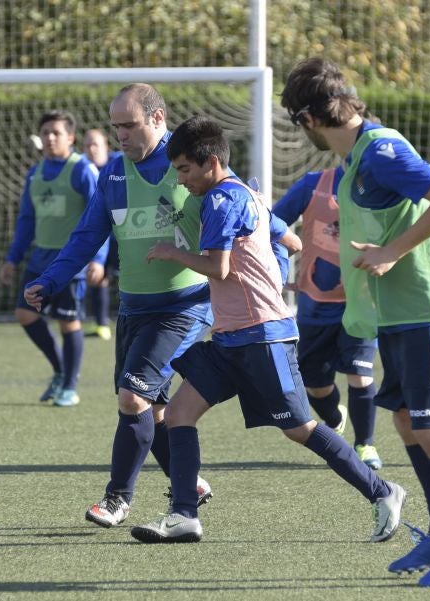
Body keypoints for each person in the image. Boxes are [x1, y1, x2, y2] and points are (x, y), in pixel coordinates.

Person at [129, 115, 406, 546]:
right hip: (231, 338)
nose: (181, 181)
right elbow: (291, 242)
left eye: (184, 170)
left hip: (262, 338)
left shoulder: (222, 199)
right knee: (180, 414)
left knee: (299, 429)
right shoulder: (247, 194)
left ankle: (383, 491)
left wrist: (171, 252)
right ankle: (183, 514)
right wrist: (270, 270)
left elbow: (218, 268)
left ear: (209, 162)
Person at [280, 58, 430, 587]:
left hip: (426, 308)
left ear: (308, 118)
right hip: (395, 314)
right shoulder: (354, 161)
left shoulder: (381, 151)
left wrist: (392, 252)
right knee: (406, 421)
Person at [24, 84, 214, 528]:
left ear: (158, 118)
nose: (121, 135)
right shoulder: (112, 173)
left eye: (129, 126)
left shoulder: (188, 163)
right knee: (152, 406)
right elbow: (87, 236)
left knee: (133, 396)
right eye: (116, 127)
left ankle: (117, 499)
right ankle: (190, 484)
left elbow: (242, 203)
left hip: (184, 307)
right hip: (133, 309)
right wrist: (50, 279)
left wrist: (280, 238)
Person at [273, 166, 383, 470]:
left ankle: (365, 444)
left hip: (360, 302)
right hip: (315, 305)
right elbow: (272, 223)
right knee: (315, 383)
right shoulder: (313, 185)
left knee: (360, 373)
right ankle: (335, 417)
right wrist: (278, 266)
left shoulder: (385, 186)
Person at [0, 110, 105, 407]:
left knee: (68, 323)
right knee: (25, 313)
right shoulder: (34, 174)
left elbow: (102, 214)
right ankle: (60, 371)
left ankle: (70, 386)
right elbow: (26, 220)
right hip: (39, 259)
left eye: (56, 133)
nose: (49, 138)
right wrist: (12, 258)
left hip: (71, 263)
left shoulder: (83, 170)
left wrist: (98, 258)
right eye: (45, 133)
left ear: (71, 138)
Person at [82, 128, 122, 341]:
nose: (91, 149)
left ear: (106, 146)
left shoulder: (119, 164)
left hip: (123, 236)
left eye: (95, 144)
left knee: (128, 280)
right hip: (101, 237)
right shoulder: (82, 169)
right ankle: (101, 326)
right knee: (98, 279)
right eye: (87, 145)